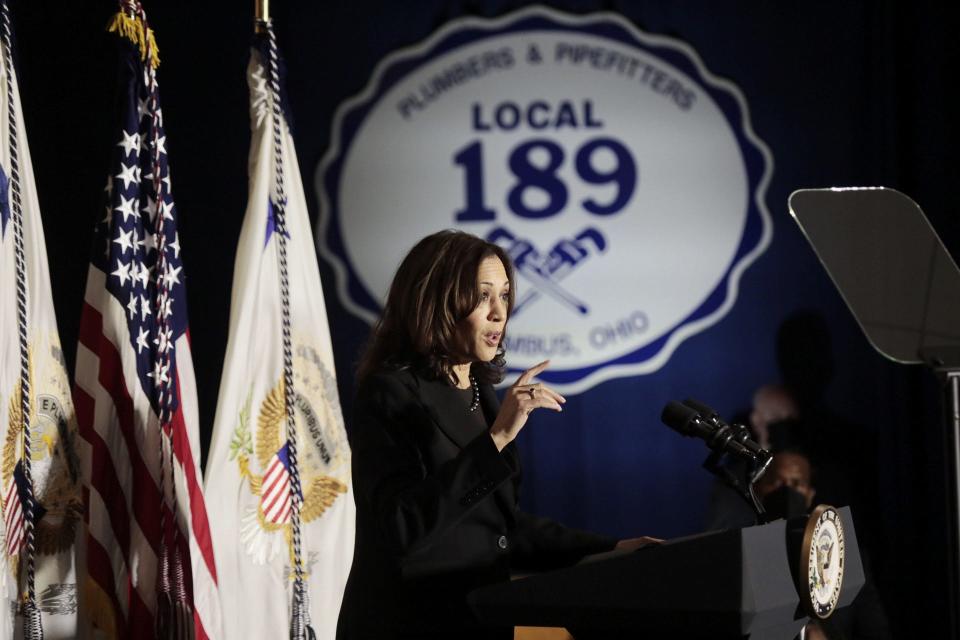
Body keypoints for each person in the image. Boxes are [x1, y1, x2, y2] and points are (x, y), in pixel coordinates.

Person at [336, 230, 654, 639]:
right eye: (482, 295)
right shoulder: (391, 393)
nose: (498, 313)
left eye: (504, 295)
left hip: (479, 619)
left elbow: (499, 531)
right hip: (408, 622)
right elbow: (402, 527)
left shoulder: (482, 394)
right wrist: (497, 438)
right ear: (436, 301)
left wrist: (609, 550)